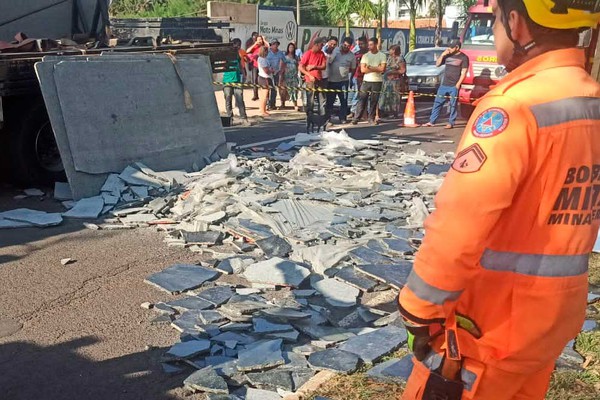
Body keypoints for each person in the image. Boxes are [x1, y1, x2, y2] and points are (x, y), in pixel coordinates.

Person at [399, 1, 600, 399]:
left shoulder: (514, 107)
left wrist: (419, 306)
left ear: (516, 23)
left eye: (494, 22)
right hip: (554, 314)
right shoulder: (589, 98)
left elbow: (461, 219)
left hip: (491, 322)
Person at [423, 38, 469, 129]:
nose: (449, 49)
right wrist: (443, 55)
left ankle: (451, 123)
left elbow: (464, 72)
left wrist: (458, 85)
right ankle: (432, 121)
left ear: (457, 47)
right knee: (437, 103)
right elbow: (437, 64)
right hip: (444, 84)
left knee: (453, 104)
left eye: (451, 47)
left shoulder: (463, 58)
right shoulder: (447, 55)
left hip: (454, 85)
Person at [351, 37, 386, 125]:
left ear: (376, 44)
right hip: (366, 80)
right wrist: (376, 68)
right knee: (362, 99)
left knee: (374, 100)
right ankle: (357, 117)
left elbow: (382, 69)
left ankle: (371, 118)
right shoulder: (365, 56)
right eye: (369, 45)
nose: (369, 47)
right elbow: (363, 70)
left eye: (371, 45)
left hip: (377, 81)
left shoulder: (382, 56)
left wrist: (370, 67)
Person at [326, 37, 357, 124]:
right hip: (332, 80)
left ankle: (342, 118)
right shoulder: (335, 51)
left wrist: (350, 78)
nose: (346, 47)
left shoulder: (352, 56)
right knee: (330, 101)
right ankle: (327, 118)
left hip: (344, 81)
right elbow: (328, 60)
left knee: (343, 100)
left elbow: (353, 68)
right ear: (342, 43)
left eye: (348, 46)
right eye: (345, 45)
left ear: (350, 46)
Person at [222, 38, 249, 126]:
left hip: (237, 79)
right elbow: (223, 65)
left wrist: (244, 74)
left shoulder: (238, 54)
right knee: (228, 98)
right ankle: (230, 117)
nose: (237, 47)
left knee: (240, 99)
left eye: (239, 46)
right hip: (227, 80)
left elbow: (240, 65)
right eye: (236, 45)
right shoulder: (226, 54)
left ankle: (244, 118)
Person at [298, 37, 327, 117]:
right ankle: (310, 116)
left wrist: (314, 66)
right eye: (321, 45)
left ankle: (322, 116)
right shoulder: (308, 53)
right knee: (310, 99)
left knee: (322, 99)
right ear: (316, 44)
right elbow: (300, 67)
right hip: (310, 80)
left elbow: (324, 66)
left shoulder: (321, 54)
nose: (322, 47)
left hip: (319, 79)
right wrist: (309, 75)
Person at [378, 45, 406, 120]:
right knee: (385, 96)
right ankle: (385, 112)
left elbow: (402, 70)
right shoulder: (389, 58)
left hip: (395, 81)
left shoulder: (400, 59)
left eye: (390, 50)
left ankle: (395, 113)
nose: (389, 51)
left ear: (394, 50)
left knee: (394, 98)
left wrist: (392, 72)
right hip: (387, 81)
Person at [348, 37, 368, 120]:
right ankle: (353, 112)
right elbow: (353, 67)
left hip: (367, 77)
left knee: (365, 96)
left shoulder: (369, 54)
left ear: (366, 44)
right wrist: (351, 77)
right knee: (357, 94)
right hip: (357, 77)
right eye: (359, 44)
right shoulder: (356, 54)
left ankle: (364, 113)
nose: (360, 46)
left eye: (361, 44)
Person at [266, 39, 286, 110]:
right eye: (274, 44)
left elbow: (284, 61)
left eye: (276, 44)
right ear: (271, 45)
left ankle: (272, 104)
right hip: (267, 73)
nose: (275, 45)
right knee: (267, 88)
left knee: (274, 89)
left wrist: (281, 70)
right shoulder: (267, 52)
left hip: (276, 73)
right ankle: (267, 103)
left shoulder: (280, 53)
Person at [247, 35, 268, 101]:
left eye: (260, 39)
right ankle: (255, 95)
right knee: (254, 80)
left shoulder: (264, 47)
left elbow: (269, 47)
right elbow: (247, 51)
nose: (259, 41)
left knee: (264, 80)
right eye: (258, 39)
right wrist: (255, 44)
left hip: (262, 66)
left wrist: (264, 40)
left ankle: (265, 94)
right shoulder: (255, 46)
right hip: (255, 65)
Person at [282, 42, 300, 110]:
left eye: (292, 47)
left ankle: (295, 104)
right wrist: (282, 74)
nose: (291, 49)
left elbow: (298, 65)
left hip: (294, 76)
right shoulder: (285, 57)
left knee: (294, 90)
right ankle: (282, 104)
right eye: (290, 47)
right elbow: (282, 65)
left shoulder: (296, 57)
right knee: (284, 90)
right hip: (286, 75)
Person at [256, 46, 273, 117]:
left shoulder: (263, 59)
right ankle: (263, 110)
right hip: (264, 78)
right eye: (267, 51)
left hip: (263, 77)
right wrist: (271, 70)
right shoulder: (262, 59)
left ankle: (262, 109)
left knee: (263, 95)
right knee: (265, 95)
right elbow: (266, 71)